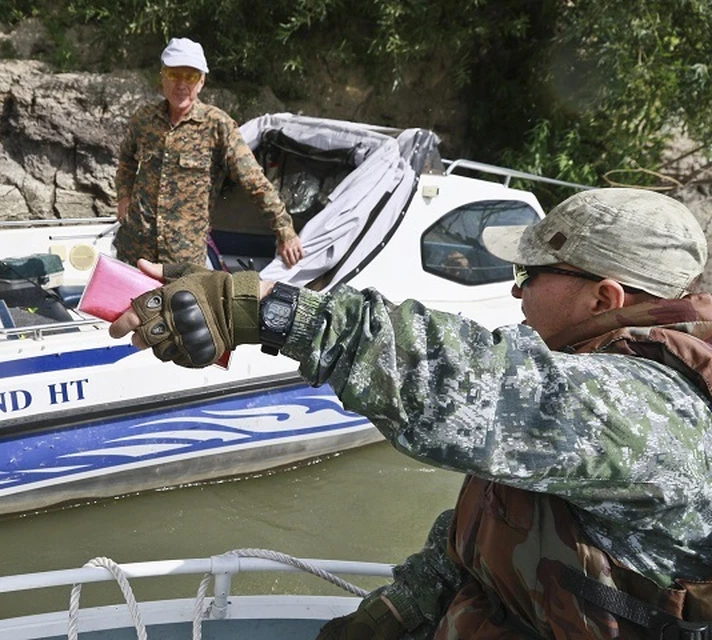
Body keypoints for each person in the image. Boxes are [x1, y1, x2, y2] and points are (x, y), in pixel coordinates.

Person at [110, 188, 712, 639]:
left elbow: (462, 377)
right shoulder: (579, 360)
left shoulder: (650, 410)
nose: (514, 290)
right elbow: (495, 529)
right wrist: (401, 607)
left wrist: (262, 309)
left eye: (527, 275)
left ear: (603, 297)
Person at [113, 37, 304, 269]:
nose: (181, 84)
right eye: (174, 74)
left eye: (190, 76)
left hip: (182, 259)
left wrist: (285, 230)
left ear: (201, 82)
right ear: (162, 76)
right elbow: (126, 161)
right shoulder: (143, 120)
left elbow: (254, 182)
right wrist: (124, 196)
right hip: (135, 248)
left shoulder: (218, 126)